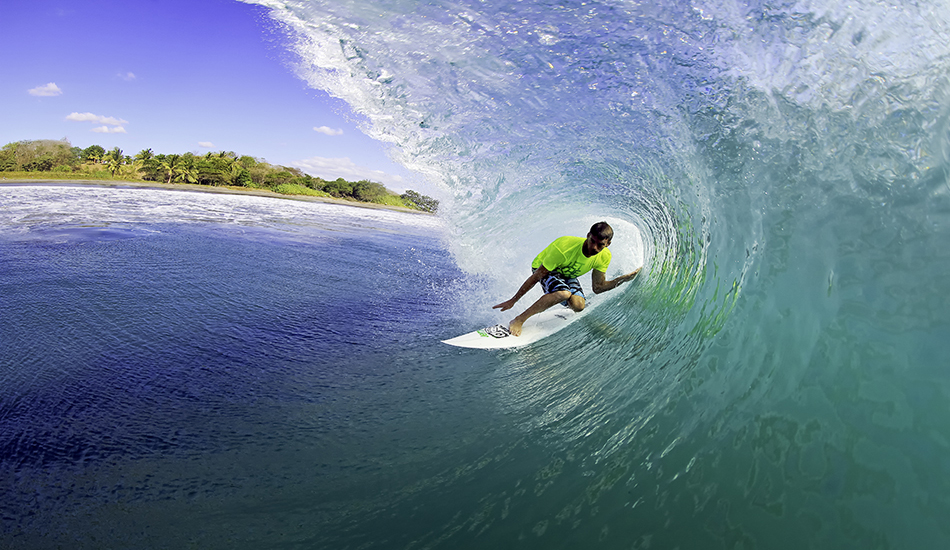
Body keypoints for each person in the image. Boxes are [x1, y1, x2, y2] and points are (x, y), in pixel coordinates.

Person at [493, 221, 641, 336]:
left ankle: (560, 299)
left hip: (567, 274)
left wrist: (624, 279)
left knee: (578, 306)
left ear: (608, 244)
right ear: (588, 235)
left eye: (600, 245)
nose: (594, 248)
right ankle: (519, 319)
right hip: (543, 268)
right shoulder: (564, 247)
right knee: (563, 293)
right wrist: (514, 300)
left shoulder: (604, 256)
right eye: (592, 241)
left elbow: (598, 287)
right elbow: (536, 276)